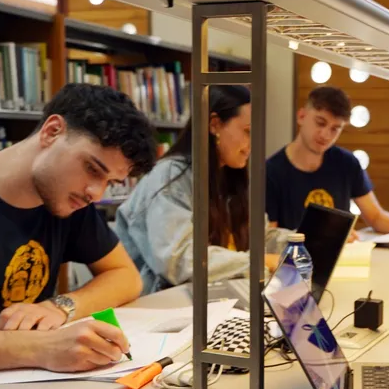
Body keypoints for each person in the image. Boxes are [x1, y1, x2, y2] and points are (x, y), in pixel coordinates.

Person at [0, 83, 156, 372]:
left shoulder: (67, 199)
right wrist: (40, 348)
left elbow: (125, 276)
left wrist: (60, 306)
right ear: (52, 131)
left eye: (110, 182)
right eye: (92, 169)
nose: (96, 193)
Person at [115, 85, 288, 295]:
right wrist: (259, 262)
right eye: (248, 132)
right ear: (214, 124)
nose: (254, 143)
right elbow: (180, 260)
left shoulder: (231, 176)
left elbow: (259, 236)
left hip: (207, 298)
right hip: (156, 303)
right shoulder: (170, 177)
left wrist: (302, 244)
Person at [266, 86, 389, 239]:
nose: (325, 135)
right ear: (301, 116)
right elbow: (269, 239)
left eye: (335, 129)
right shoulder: (270, 172)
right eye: (320, 123)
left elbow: (375, 217)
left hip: (342, 254)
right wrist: (328, 236)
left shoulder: (347, 163)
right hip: (295, 254)